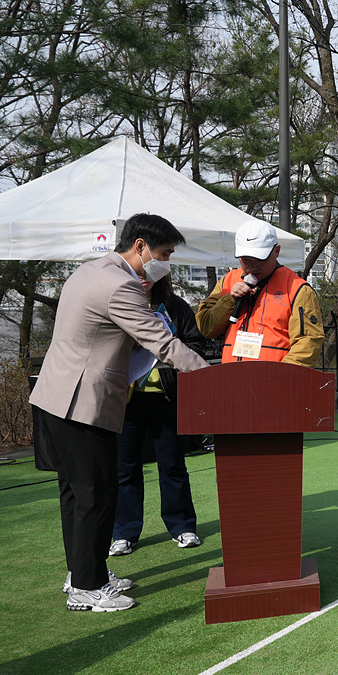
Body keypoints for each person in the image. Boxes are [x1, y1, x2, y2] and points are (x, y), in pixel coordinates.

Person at [30, 213, 209, 612]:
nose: (166, 262)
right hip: (81, 403)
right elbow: (162, 342)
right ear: (141, 245)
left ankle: (82, 572)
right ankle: (87, 587)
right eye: (164, 253)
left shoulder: (89, 271)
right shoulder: (121, 285)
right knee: (96, 494)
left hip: (54, 397)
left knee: (76, 494)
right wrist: (212, 378)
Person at [109, 270, 207, 557]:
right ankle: (124, 532)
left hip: (166, 399)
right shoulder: (118, 302)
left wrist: (163, 351)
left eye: (149, 274)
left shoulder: (176, 306)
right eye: (136, 273)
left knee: (173, 464)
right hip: (125, 400)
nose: (143, 278)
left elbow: (196, 344)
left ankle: (182, 526)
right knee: (124, 468)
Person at [195, 218, 323, 367]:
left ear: (277, 251)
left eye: (260, 259)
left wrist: (278, 378)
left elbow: (307, 343)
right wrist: (230, 300)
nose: (252, 266)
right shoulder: (227, 281)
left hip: (273, 383)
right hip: (232, 379)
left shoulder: (298, 289)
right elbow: (206, 328)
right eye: (246, 259)